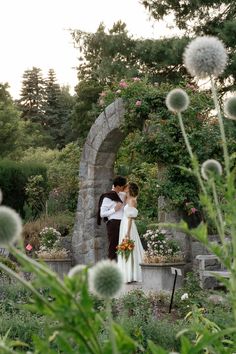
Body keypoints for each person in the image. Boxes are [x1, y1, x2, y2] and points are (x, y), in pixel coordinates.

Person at [117, 182, 144, 283]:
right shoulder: (126, 199)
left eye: (127, 187)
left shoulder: (132, 200)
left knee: (130, 247)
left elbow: (130, 218)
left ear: (130, 189)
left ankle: (132, 274)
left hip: (129, 226)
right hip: (123, 224)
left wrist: (128, 232)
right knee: (124, 247)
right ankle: (125, 274)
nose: (125, 188)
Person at [97, 176, 127, 261]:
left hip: (123, 223)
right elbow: (102, 214)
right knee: (113, 246)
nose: (124, 188)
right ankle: (111, 266)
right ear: (118, 186)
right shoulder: (107, 197)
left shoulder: (123, 195)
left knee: (124, 245)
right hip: (113, 224)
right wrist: (114, 209)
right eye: (123, 186)